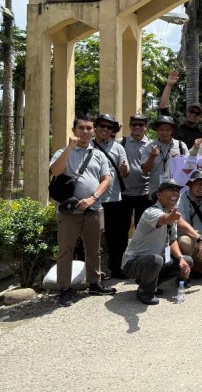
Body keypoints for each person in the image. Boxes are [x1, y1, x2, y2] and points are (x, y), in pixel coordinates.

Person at [49, 116, 116, 307]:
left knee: (94, 249)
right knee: (66, 250)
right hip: (69, 211)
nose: (85, 132)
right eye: (81, 128)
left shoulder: (99, 155)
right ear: (74, 130)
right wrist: (69, 149)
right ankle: (64, 289)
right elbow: (55, 171)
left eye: (88, 128)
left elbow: (106, 179)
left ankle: (94, 282)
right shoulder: (63, 151)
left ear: (93, 131)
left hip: (93, 208)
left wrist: (93, 197)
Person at [121, 179, 194, 305]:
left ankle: (149, 283)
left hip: (153, 262)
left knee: (187, 261)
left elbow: (172, 241)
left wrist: (181, 258)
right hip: (132, 263)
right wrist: (171, 218)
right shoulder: (151, 212)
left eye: (177, 191)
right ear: (159, 195)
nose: (175, 194)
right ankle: (145, 290)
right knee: (156, 260)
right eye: (171, 190)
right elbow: (163, 220)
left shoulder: (171, 214)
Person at [92, 113, 129, 280]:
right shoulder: (87, 146)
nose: (105, 130)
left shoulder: (118, 147)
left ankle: (116, 268)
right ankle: (92, 272)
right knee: (92, 238)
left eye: (109, 127)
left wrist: (123, 170)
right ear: (95, 127)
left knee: (118, 238)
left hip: (114, 199)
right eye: (102, 126)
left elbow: (126, 173)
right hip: (92, 200)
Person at [119, 113, 155, 230]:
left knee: (142, 228)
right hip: (124, 193)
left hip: (144, 193)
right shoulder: (121, 142)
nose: (137, 127)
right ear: (130, 126)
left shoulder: (152, 145)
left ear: (146, 127)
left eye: (141, 124)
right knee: (122, 228)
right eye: (134, 124)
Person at [158, 69, 202, 146]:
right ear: (187, 112)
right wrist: (169, 85)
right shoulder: (175, 126)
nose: (193, 115)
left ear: (200, 117)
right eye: (191, 111)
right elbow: (163, 108)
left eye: (197, 113)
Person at [141, 115, 189, 188]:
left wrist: (179, 161)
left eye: (167, 130)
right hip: (156, 192)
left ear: (172, 130)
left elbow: (189, 169)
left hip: (176, 191)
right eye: (162, 129)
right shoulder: (149, 147)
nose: (164, 133)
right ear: (157, 130)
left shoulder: (181, 146)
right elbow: (145, 171)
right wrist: (152, 156)